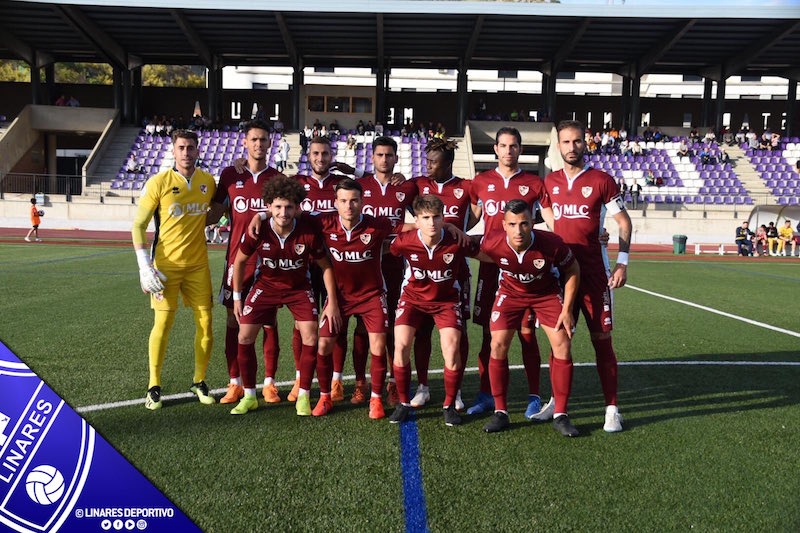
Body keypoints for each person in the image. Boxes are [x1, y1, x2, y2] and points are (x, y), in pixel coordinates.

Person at [542, 120, 633, 433]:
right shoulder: (550, 182)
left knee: (602, 342)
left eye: (577, 141)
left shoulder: (602, 180)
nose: (571, 147)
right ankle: (557, 402)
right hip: (560, 273)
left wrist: (622, 263)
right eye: (566, 142)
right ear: (559, 146)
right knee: (560, 341)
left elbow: (623, 222)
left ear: (586, 144)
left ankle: (611, 409)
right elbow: (546, 212)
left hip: (595, 274)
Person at [231, 176, 339, 416]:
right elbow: (239, 262)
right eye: (278, 207)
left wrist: (331, 301)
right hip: (266, 286)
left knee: (310, 334)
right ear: (268, 206)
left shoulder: (308, 232)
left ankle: (303, 395)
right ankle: (249, 396)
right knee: (245, 334)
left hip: (299, 288)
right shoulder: (258, 229)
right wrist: (238, 297)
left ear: (297, 208)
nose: (283, 212)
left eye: (289, 207)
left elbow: (326, 266)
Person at [473, 200, 581, 436]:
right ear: (504, 225)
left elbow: (573, 270)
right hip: (510, 294)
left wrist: (567, 309)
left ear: (533, 222)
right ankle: (501, 412)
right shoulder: (492, 241)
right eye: (512, 224)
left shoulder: (550, 244)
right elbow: (470, 247)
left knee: (563, 343)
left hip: (546, 294)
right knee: (497, 343)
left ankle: (561, 414)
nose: (518, 230)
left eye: (524, 224)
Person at [469, 127, 554, 419]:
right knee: (488, 334)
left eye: (514, 146)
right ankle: (487, 394)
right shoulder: (480, 182)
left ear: (520, 149)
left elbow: (553, 222)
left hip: (523, 268)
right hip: (490, 266)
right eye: (503, 145)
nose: (508, 151)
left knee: (527, 333)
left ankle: (533, 395)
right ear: (495, 149)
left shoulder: (533, 183)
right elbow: (470, 217)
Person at [131, 129, 217, 410]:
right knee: (163, 325)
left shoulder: (207, 181)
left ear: (198, 150)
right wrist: (145, 267)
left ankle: (199, 381)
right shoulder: (158, 182)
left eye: (191, 147)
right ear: (173, 150)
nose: (186, 152)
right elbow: (138, 226)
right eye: (181, 147)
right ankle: (153, 385)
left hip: (198, 267)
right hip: (165, 268)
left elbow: (218, 209)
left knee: (205, 325)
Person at [206, 120, 283, 404]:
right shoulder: (229, 175)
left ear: (270, 144)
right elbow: (212, 214)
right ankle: (235, 382)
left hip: (269, 263)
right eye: (254, 139)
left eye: (263, 140)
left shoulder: (277, 179)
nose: (258, 144)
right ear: (245, 143)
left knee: (269, 321)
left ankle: (270, 383)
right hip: (235, 262)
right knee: (232, 320)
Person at [387, 195, 477, 427]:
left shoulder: (456, 240)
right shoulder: (405, 241)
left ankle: (448, 405)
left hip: (446, 300)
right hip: (413, 299)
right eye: (425, 218)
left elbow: (484, 251)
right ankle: (404, 403)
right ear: (416, 220)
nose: (431, 222)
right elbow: (392, 251)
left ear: (443, 217)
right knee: (401, 345)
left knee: (451, 348)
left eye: (437, 217)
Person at [315, 179, 397, 418]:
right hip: (340, 296)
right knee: (324, 344)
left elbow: (410, 227)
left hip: (372, 296)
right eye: (343, 201)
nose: (348, 206)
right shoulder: (324, 222)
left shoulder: (377, 225)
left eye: (354, 201)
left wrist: (449, 227)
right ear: (336, 203)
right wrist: (262, 217)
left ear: (362, 202)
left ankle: (376, 400)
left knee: (379, 346)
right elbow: (292, 215)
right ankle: (325, 397)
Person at [409, 138, 478, 410]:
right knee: (422, 331)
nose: (427, 166)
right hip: (423, 272)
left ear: (447, 163)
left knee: (457, 334)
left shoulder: (466, 187)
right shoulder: (417, 185)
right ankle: (423, 386)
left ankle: (456, 389)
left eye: (433, 162)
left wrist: (459, 230)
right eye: (426, 161)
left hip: (456, 272)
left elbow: (477, 215)